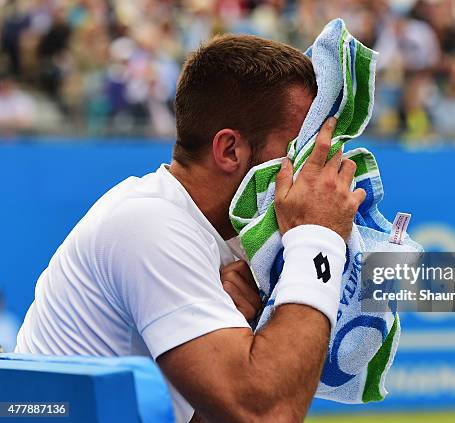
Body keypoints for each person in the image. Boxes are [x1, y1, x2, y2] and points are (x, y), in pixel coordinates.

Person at [15, 35, 366, 423]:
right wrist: (318, 236)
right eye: (297, 150)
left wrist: (253, 329)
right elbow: (267, 414)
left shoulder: (211, 238)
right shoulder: (149, 223)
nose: (314, 170)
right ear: (230, 150)